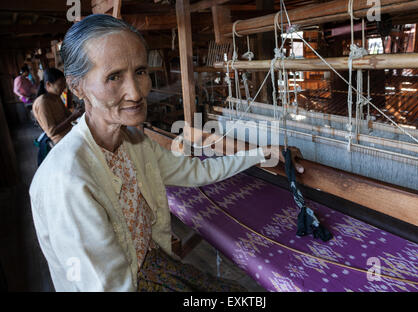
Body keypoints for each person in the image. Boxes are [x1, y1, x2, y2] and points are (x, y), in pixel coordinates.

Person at [29, 14, 304, 292]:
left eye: (139, 72)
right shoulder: (68, 181)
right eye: (113, 77)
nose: (136, 93)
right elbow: (105, 286)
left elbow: (199, 170)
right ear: (77, 87)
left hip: (153, 264)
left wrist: (264, 153)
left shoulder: (134, 143)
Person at [32, 68, 83, 165]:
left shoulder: (55, 97)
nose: (63, 88)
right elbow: (52, 131)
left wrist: (79, 112)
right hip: (59, 140)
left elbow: (68, 115)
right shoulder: (43, 102)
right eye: (60, 85)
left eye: (64, 84)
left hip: (69, 134)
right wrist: (74, 116)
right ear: (48, 85)